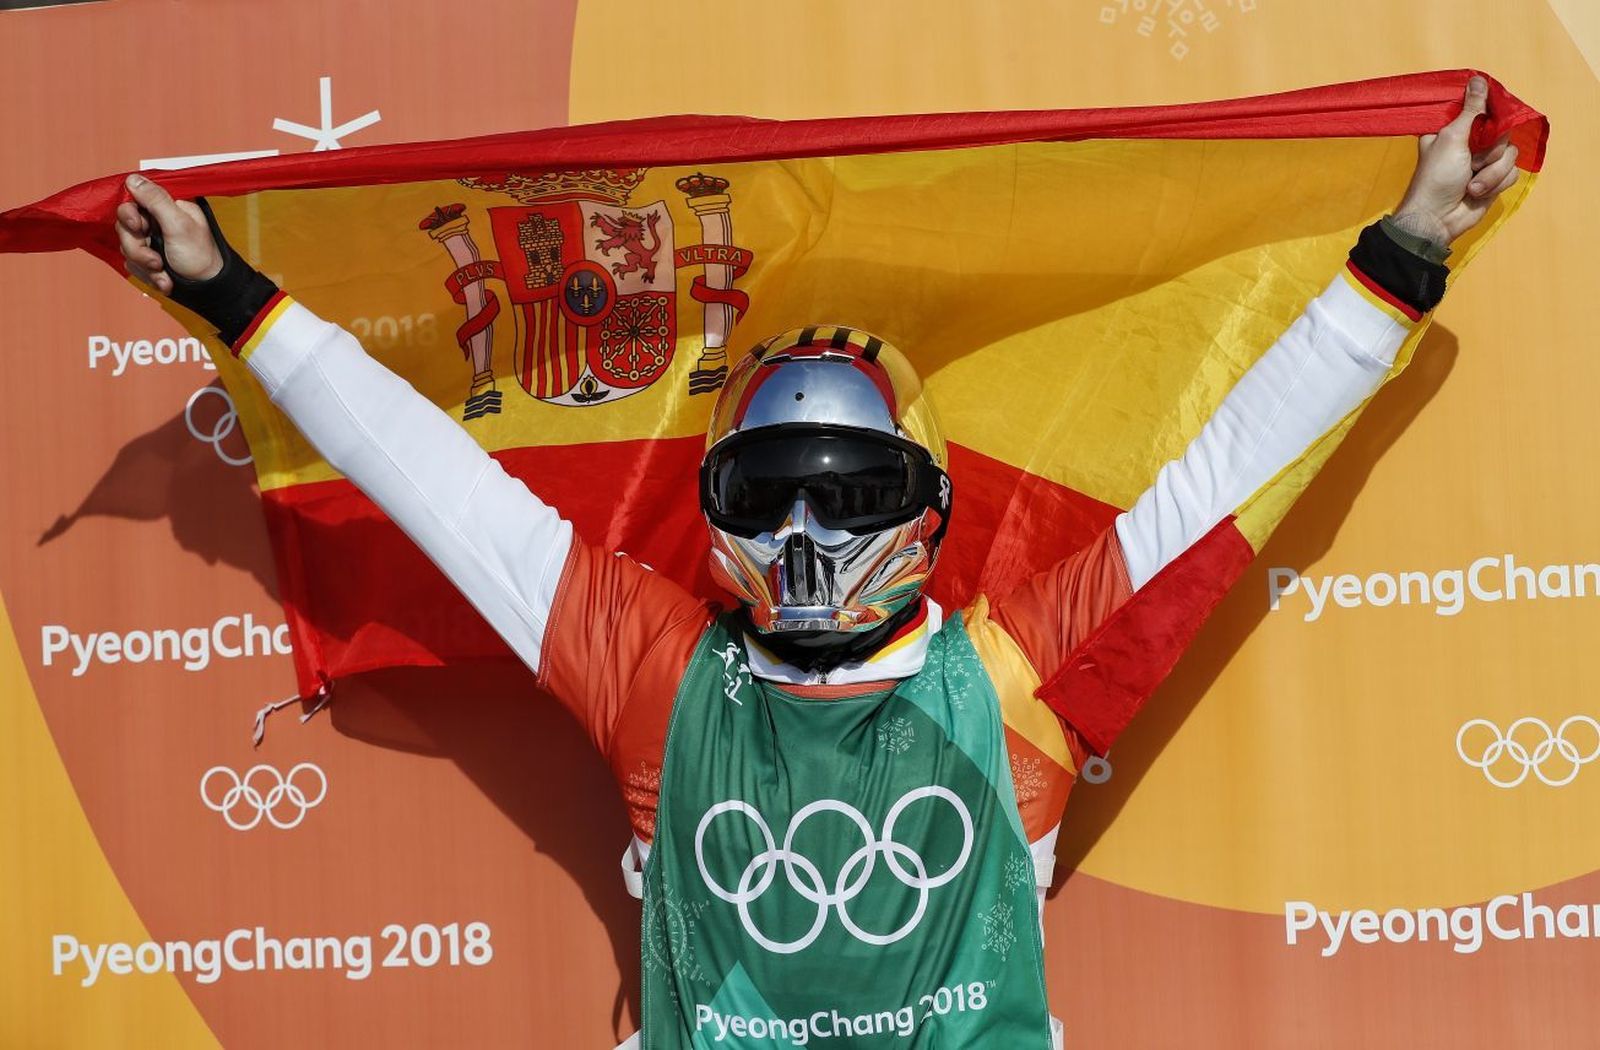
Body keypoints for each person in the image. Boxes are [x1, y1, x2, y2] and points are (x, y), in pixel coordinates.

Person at [115, 78, 1518, 1049]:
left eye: (849, 492)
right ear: (716, 500)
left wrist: (1404, 253)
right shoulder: (654, 666)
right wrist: (232, 293)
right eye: (770, 491)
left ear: (925, 505)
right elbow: (435, 481)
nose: (805, 532)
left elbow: (1224, 472)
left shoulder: (1010, 673)